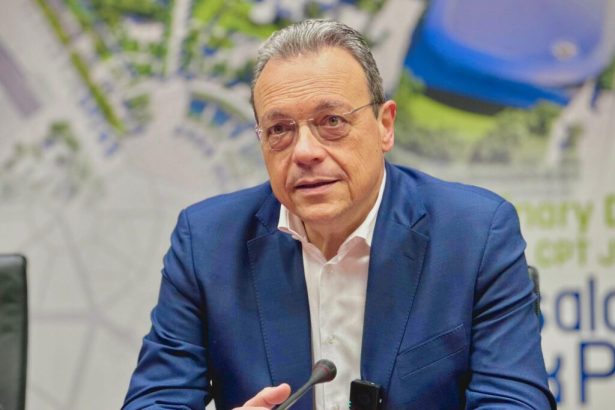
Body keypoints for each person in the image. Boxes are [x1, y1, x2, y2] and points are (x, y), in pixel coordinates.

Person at [123, 19, 555, 410]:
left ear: (385, 125)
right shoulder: (206, 243)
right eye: (280, 129)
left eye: (331, 121)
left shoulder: (474, 234)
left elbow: (515, 401)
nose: (305, 152)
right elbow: (154, 401)